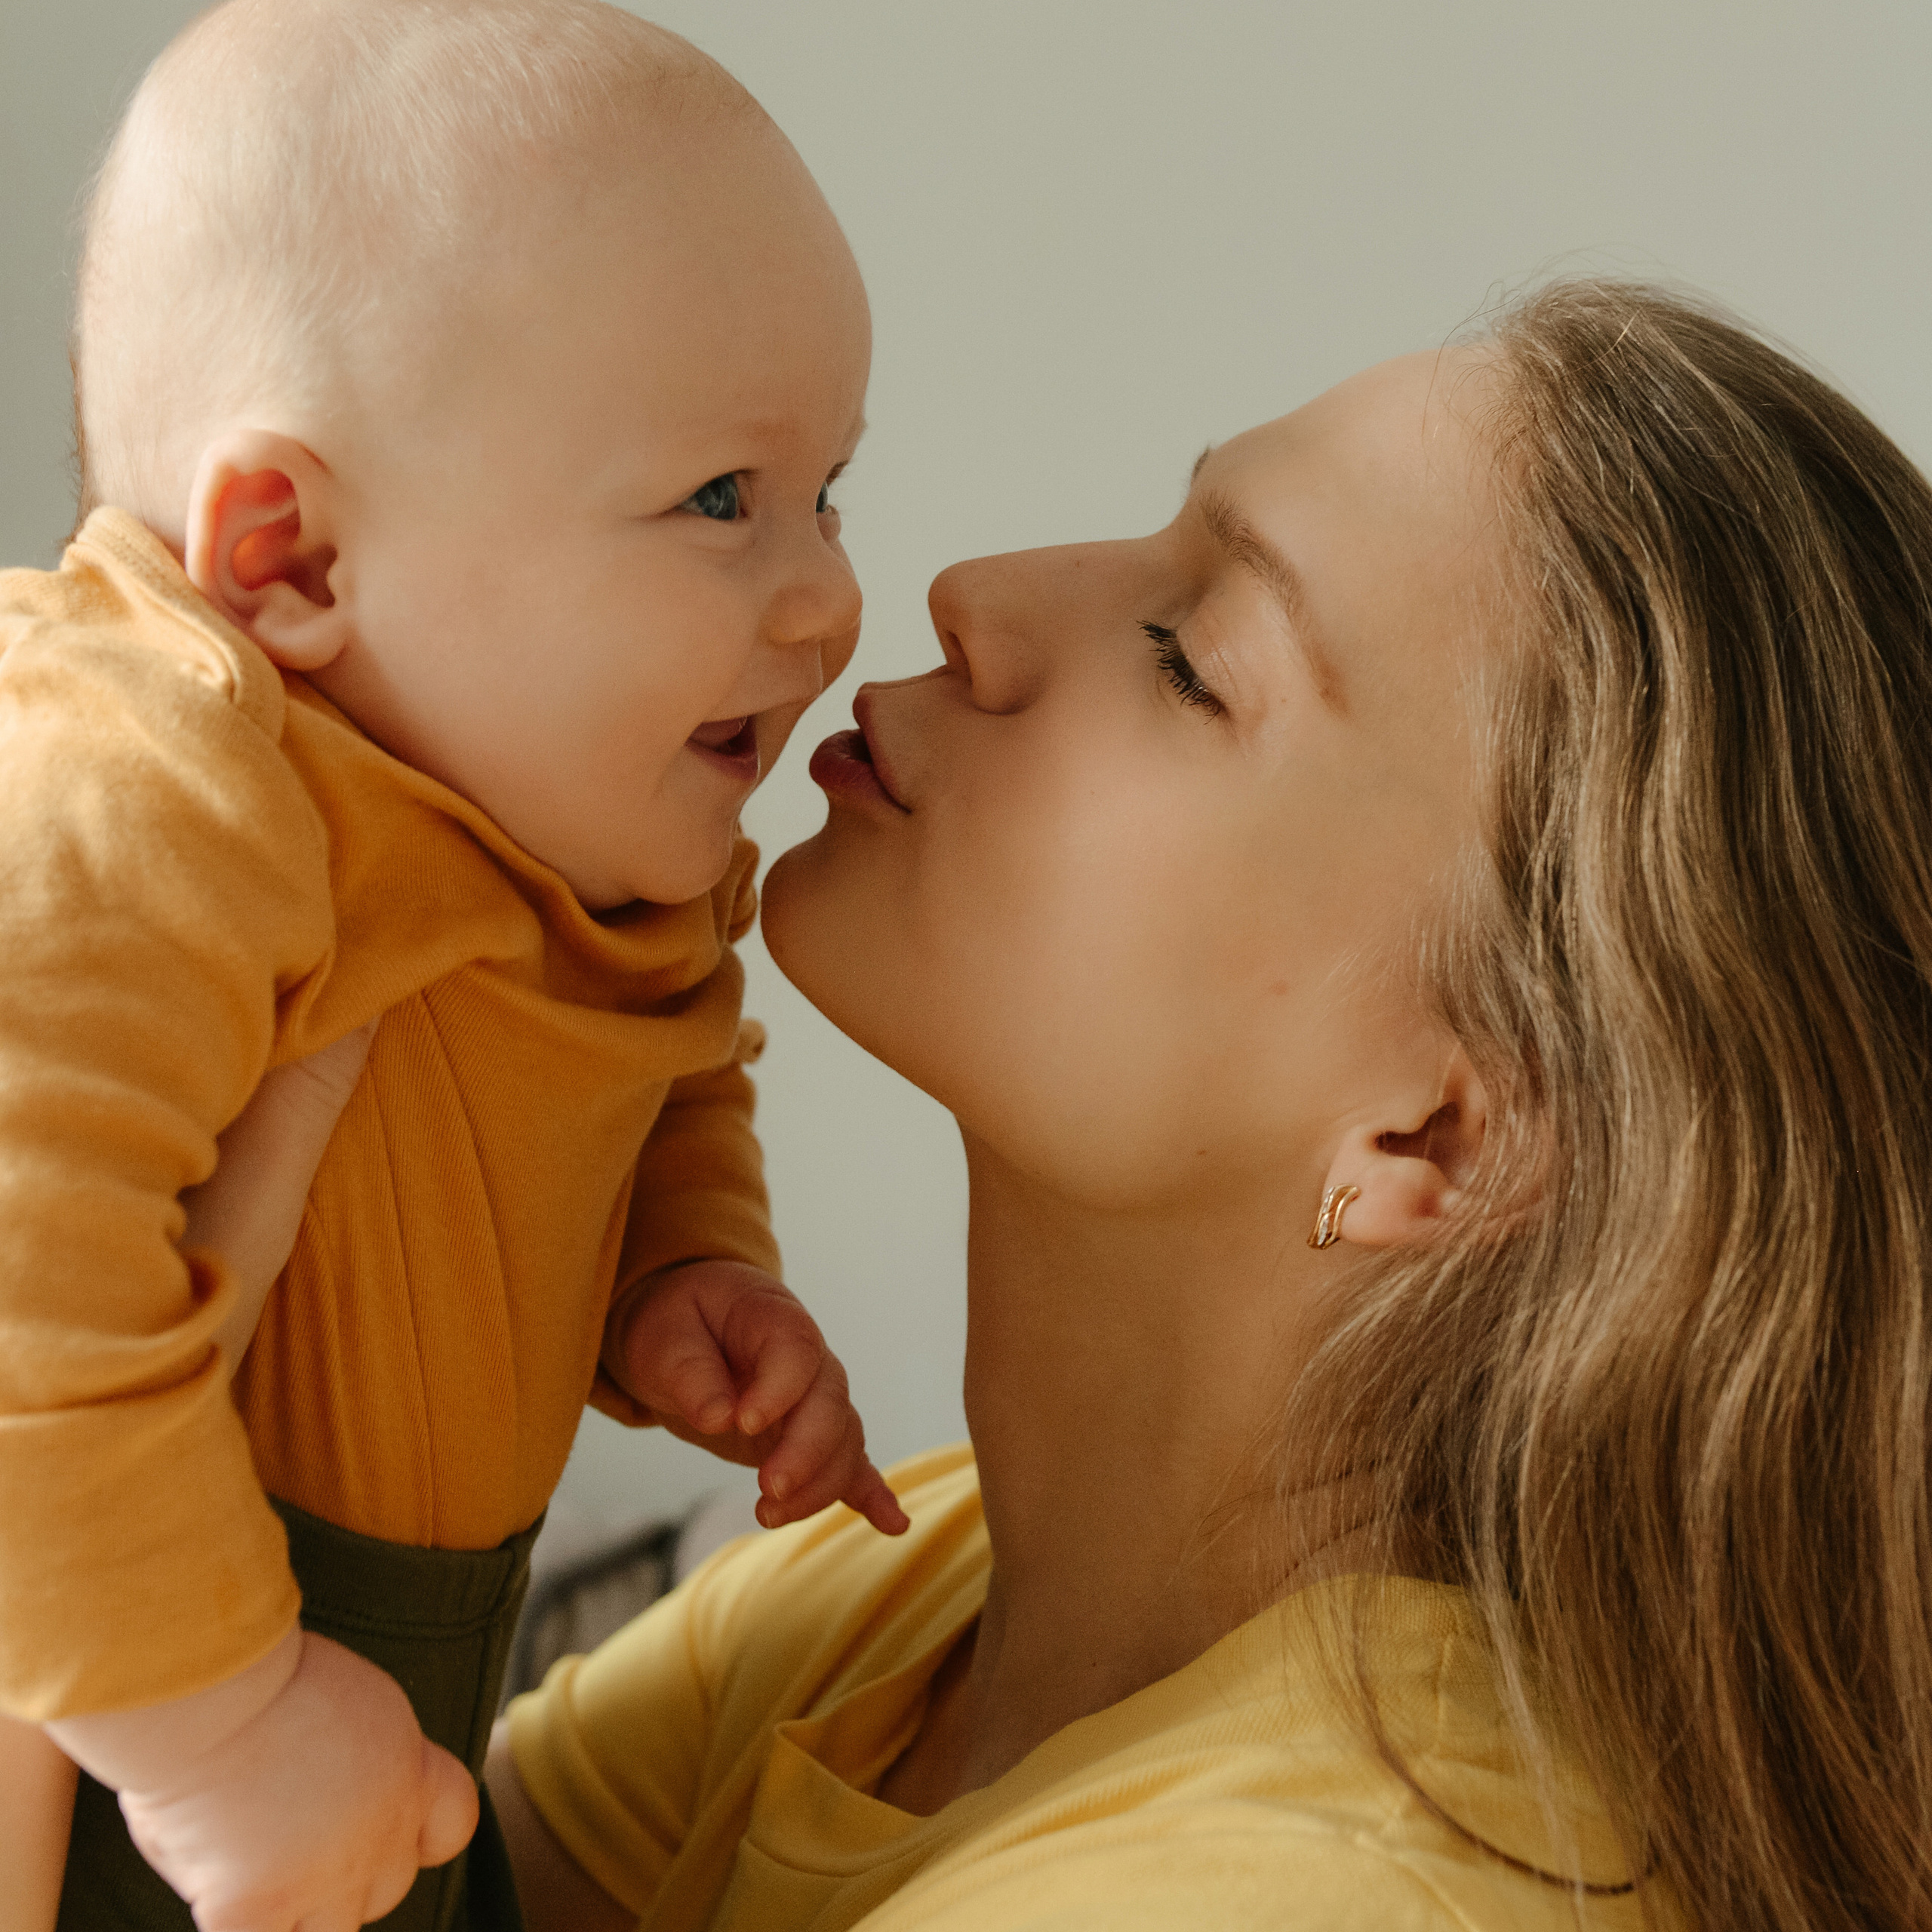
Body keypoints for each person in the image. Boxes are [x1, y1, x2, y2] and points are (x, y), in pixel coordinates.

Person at [458, 281, 1923, 1930]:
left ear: (1441, 1134)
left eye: (1188, 663)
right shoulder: (905, 1585)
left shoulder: (1327, 1893)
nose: (975, 593)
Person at [0, 5, 906, 1929]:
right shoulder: (147, 785)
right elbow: (20, 1263)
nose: (828, 594)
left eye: (827, 488)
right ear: (293, 559)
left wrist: (683, 1264)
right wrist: (216, 1729)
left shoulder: (566, 824)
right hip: (127, 1690)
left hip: (387, 1701)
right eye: (720, 500)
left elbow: (664, 1040)